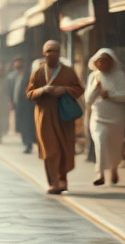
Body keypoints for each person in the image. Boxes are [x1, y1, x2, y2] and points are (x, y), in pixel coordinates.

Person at [26, 40, 84, 194]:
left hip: (63, 116)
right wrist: (42, 90)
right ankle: (53, 182)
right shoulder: (38, 72)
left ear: (59, 53)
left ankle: (62, 179)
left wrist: (64, 90)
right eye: (47, 51)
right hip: (44, 117)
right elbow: (29, 93)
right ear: (43, 53)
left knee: (64, 148)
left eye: (53, 51)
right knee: (50, 150)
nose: (49, 54)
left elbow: (79, 89)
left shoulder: (68, 72)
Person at [84, 48, 125, 186]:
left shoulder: (119, 75)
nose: (101, 64)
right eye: (99, 61)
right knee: (100, 142)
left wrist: (110, 95)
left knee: (115, 146)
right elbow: (87, 100)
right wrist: (96, 90)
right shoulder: (93, 77)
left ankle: (114, 169)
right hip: (99, 117)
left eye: (104, 61)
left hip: (116, 118)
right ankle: (100, 173)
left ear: (111, 62)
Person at [8, 57, 35, 153]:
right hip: (17, 104)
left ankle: (28, 144)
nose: (17, 68)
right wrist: (11, 101)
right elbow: (12, 90)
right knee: (20, 125)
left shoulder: (28, 76)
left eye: (19, 66)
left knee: (26, 125)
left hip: (26, 105)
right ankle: (25, 142)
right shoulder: (13, 77)